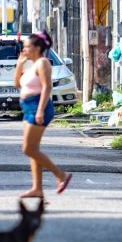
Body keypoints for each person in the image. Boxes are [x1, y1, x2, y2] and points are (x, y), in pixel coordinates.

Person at [14, 30, 72, 199]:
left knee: (28, 148)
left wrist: (40, 109)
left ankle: (61, 174)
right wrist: (19, 64)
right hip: (28, 107)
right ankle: (37, 188)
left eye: (28, 47)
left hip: (39, 106)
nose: (24, 49)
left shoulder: (43, 63)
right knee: (33, 149)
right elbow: (17, 84)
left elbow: (47, 87)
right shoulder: (31, 65)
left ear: (38, 47)